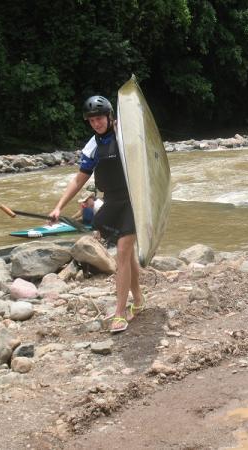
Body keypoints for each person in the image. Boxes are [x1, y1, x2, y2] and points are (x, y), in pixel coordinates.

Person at [49, 95, 144, 333]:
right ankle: (139, 300)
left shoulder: (125, 135)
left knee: (122, 252)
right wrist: (59, 206)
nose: (96, 124)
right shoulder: (92, 146)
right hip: (112, 202)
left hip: (133, 199)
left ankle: (120, 313)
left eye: (99, 118)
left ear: (109, 116)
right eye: (91, 120)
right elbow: (80, 178)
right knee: (127, 255)